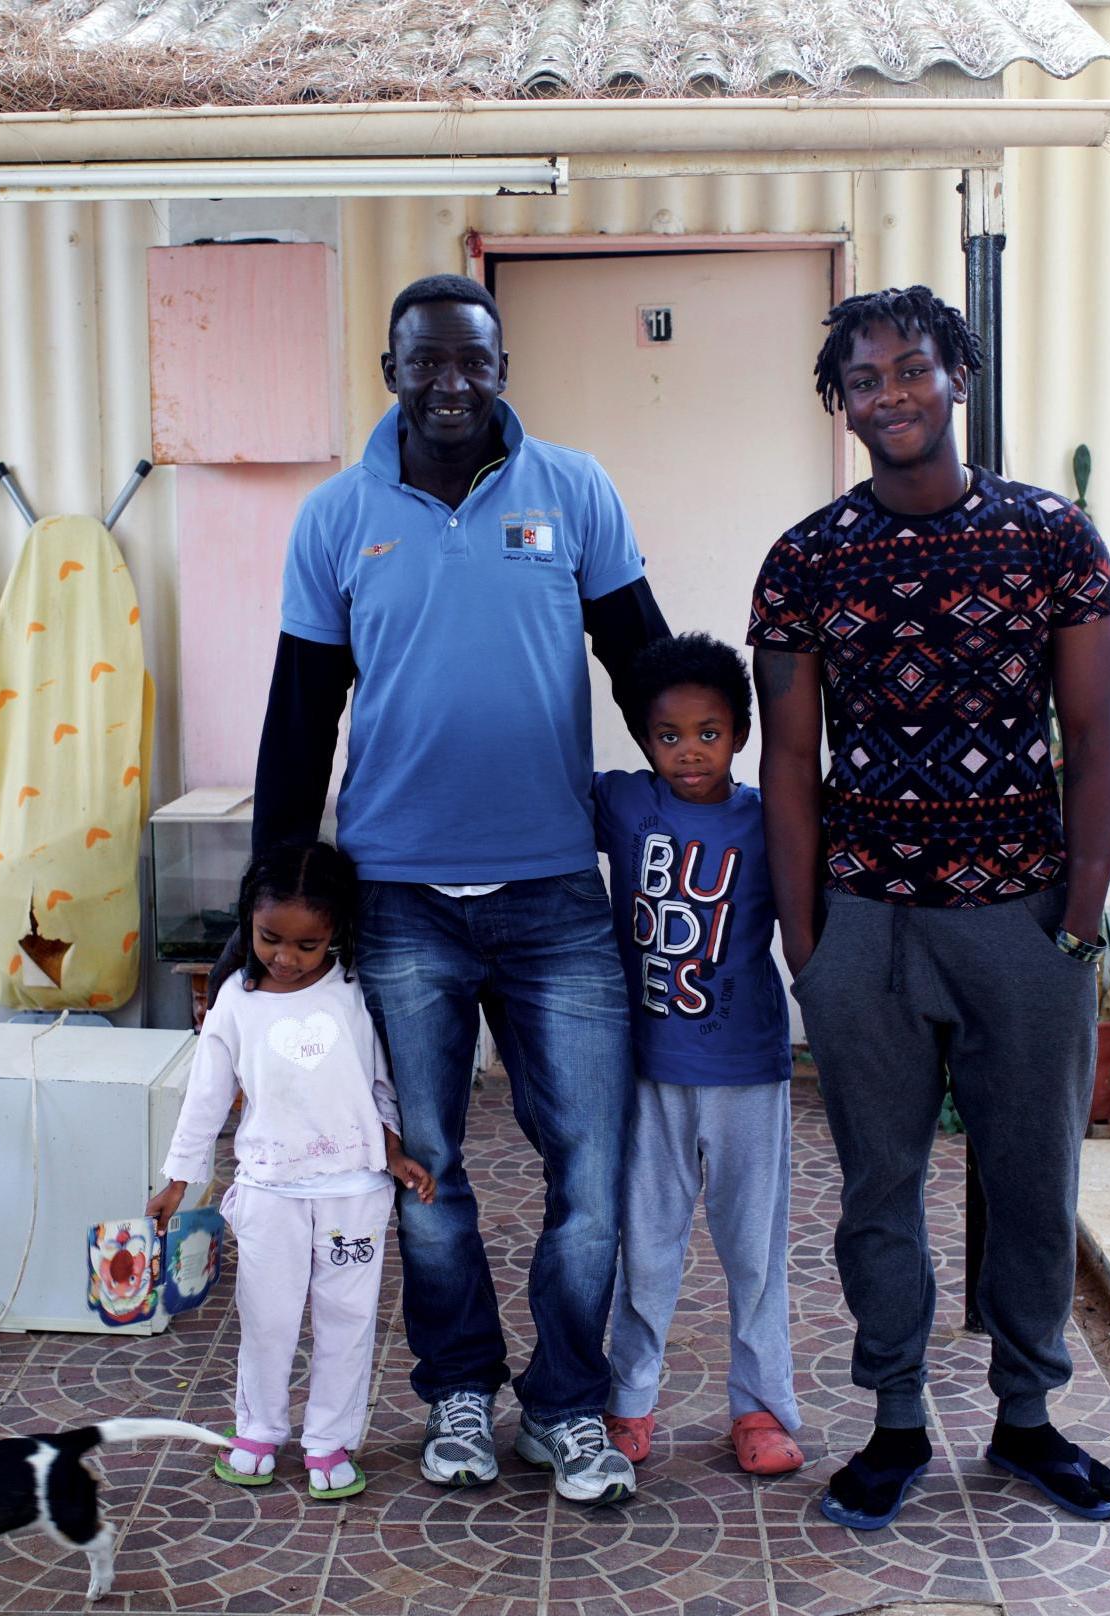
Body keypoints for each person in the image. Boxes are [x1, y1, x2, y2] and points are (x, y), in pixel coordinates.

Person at [247, 274, 670, 1507]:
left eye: (472, 360)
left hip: (554, 894)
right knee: (425, 1168)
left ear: (501, 366)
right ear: (391, 369)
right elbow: (300, 713)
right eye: (426, 361)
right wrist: (274, 900)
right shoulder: (336, 517)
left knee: (588, 1165)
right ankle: (461, 1397)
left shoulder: (574, 490)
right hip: (401, 901)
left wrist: (704, 814)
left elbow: (644, 663)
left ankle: (565, 1406)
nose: (451, 382)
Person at [749, 286, 1110, 1530]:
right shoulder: (806, 560)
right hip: (868, 924)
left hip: (1020, 922)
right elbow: (789, 764)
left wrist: (1078, 915)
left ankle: (1027, 1419)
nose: (890, 393)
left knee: (1031, 1176)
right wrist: (809, 941)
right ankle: (896, 1418)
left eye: (911, 368)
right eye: (863, 379)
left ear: (955, 376)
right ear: (841, 405)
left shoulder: (1050, 539)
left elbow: (1089, 734)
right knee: (878, 1186)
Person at [147, 843, 436, 1504]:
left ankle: (329, 1441)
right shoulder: (234, 1005)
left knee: (346, 1319)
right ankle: (258, 1430)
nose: (287, 956)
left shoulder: (356, 996)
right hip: (268, 1191)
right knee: (267, 1318)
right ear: (248, 922)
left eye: (308, 945)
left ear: (335, 933)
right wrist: (177, 1181)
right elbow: (206, 1098)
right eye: (270, 938)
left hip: (354, 1192)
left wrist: (391, 1153)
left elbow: (380, 1084)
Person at [593, 633, 804, 1478]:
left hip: (749, 1072)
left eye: (708, 732)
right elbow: (529, 788)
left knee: (753, 1253)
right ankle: (628, 1403)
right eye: (669, 734)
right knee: (643, 1249)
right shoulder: (623, 805)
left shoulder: (769, 818)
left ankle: (760, 1409)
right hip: (648, 1073)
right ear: (645, 740)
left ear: (740, 734)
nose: (688, 751)